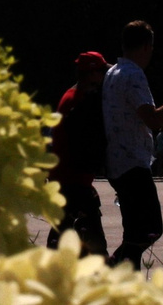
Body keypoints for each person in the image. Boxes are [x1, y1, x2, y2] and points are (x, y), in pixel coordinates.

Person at [103, 20, 163, 270]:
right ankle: (114, 267)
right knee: (150, 229)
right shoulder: (134, 74)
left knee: (135, 231)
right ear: (146, 46)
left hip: (117, 162)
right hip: (133, 163)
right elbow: (154, 119)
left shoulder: (112, 73)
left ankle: (120, 274)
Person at [46, 51, 110, 254]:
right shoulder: (78, 102)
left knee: (63, 236)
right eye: (101, 71)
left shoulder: (74, 95)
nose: (103, 76)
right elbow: (81, 145)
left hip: (68, 181)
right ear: (91, 74)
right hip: (72, 182)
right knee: (96, 247)